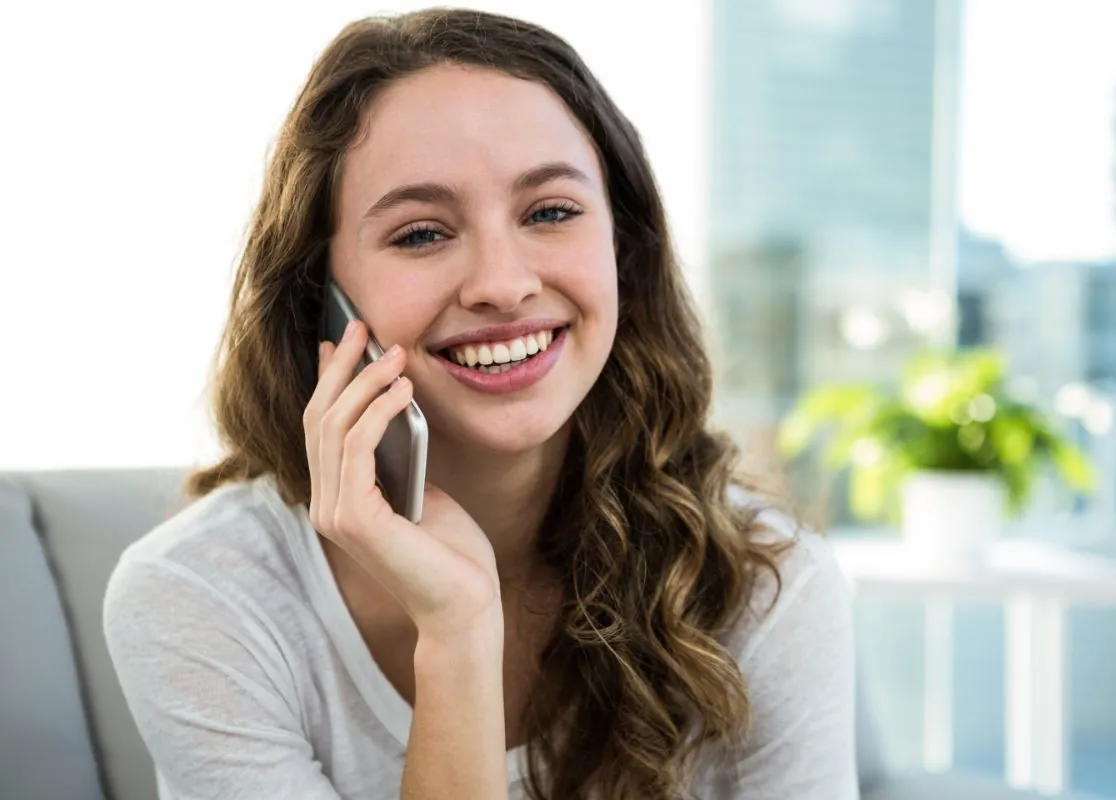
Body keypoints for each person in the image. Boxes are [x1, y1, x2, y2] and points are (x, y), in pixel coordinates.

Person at [102, 8, 856, 799]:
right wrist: (458, 633)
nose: (502, 284)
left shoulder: (766, 584)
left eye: (551, 213)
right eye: (422, 233)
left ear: (622, 251)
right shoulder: (202, 599)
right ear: (319, 295)